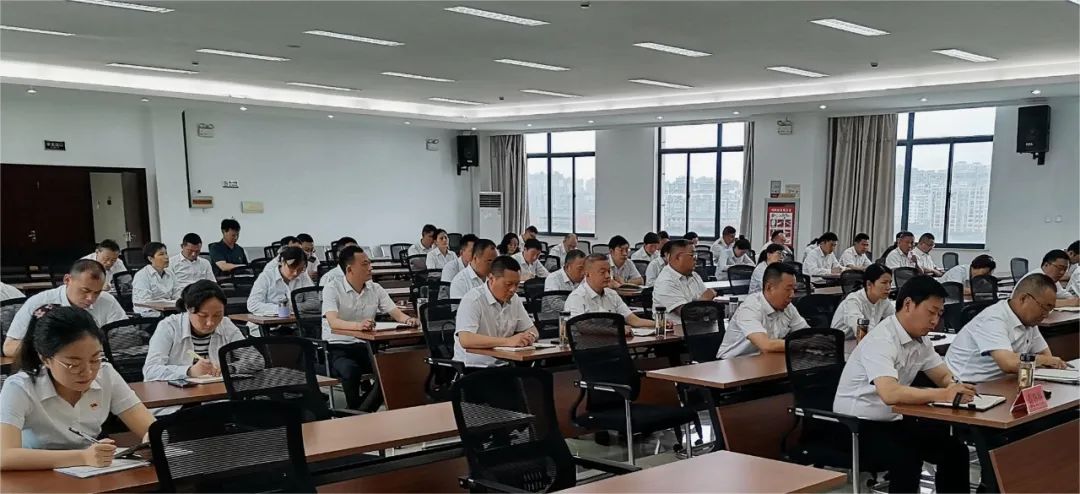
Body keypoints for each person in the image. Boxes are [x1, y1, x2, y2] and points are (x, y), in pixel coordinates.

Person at [833, 276, 974, 494]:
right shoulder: (882, 339)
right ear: (908, 304)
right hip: (857, 426)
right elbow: (890, 393)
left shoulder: (921, 339)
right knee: (907, 456)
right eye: (931, 312)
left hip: (893, 420)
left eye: (939, 314)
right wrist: (944, 395)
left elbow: (942, 375)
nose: (935, 321)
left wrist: (955, 386)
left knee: (955, 451)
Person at [0, 306, 155, 470]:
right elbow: (4, 456)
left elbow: (154, 429)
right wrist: (82, 457)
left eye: (95, 359)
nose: (87, 372)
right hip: (32, 476)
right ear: (45, 359)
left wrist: (151, 443)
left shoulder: (106, 374)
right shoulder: (20, 387)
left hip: (88, 474)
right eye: (73, 364)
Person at [323, 246, 418, 408]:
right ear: (349, 269)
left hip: (366, 346)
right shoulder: (332, 288)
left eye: (369, 263)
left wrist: (409, 320)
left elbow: (396, 314)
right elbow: (333, 322)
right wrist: (359, 326)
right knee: (350, 370)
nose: (370, 268)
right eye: (365, 264)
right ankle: (355, 410)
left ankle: (360, 412)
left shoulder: (375, 288)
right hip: (338, 347)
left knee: (389, 370)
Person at [945, 273, 1067, 383]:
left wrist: (1048, 361)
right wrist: (1045, 360)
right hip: (967, 384)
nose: (1046, 314)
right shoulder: (993, 319)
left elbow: (1046, 355)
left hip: (1001, 382)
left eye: (1050, 309)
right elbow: (1009, 363)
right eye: (1044, 307)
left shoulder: (1029, 321)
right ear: (1023, 299)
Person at [3, 260, 127, 357]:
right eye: (85, 290)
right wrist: (58, 349)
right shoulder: (39, 303)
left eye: (97, 292)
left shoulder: (107, 300)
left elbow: (128, 336)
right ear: (67, 280)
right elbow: (9, 347)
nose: (90, 298)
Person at [143, 280, 246, 382]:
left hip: (218, 389)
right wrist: (189, 371)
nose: (210, 323)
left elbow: (253, 359)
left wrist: (228, 368)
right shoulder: (169, 327)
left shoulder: (226, 325)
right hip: (177, 391)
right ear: (188, 309)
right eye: (203, 315)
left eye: (217, 315)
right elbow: (150, 370)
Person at [453, 256, 539, 368]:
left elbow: (532, 329)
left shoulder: (515, 299)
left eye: (517, 285)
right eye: (508, 284)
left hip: (504, 364)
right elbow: (466, 339)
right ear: (491, 279)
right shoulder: (473, 300)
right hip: (473, 367)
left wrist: (529, 337)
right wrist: (508, 341)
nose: (513, 289)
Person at [716, 263, 808, 358]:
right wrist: (803, 344)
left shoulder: (788, 307)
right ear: (769, 287)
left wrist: (811, 341)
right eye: (788, 289)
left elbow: (808, 335)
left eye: (794, 289)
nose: (792, 295)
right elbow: (766, 345)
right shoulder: (750, 308)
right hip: (732, 362)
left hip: (765, 359)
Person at [565, 254, 658, 329]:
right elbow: (582, 327)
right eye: (602, 272)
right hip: (585, 345)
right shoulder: (577, 297)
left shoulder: (612, 294)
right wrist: (616, 330)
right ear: (587, 274)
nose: (608, 276)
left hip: (611, 343)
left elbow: (634, 320)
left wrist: (659, 324)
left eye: (609, 271)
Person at [652, 240, 715, 324]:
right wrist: (705, 300)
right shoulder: (666, 281)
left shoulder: (694, 275)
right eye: (692, 255)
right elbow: (687, 313)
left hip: (698, 327)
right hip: (676, 330)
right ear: (678, 257)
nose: (696, 258)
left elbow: (710, 308)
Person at [831, 264, 895, 341]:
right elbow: (861, 331)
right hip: (841, 343)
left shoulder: (883, 300)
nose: (888, 287)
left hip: (861, 342)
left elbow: (895, 322)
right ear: (869, 284)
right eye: (884, 283)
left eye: (890, 283)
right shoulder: (853, 300)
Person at [247, 246, 313, 317]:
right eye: (292, 268)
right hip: (269, 321)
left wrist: (291, 308)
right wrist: (282, 308)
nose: (295, 273)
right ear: (282, 262)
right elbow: (253, 304)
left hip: (295, 321)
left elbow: (314, 302)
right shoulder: (266, 277)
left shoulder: (303, 276)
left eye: (300, 269)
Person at [132, 242, 179, 316]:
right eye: (161, 254)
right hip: (148, 313)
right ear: (150, 258)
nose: (166, 257)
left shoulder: (170, 273)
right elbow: (145, 302)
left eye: (166, 253)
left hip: (169, 311)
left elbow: (177, 293)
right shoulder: (142, 275)